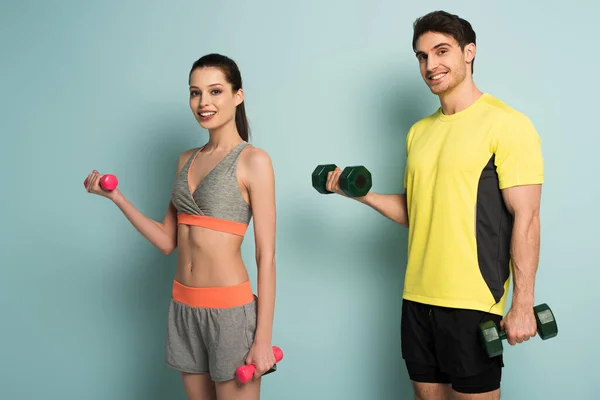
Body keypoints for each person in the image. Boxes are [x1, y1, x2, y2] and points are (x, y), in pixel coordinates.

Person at [325, 10, 544, 400]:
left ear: (469, 52)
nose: (431, 65)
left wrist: (523, 304)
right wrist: (360, 194)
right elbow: (420, 212)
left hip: (472, 301)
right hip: (417, 299)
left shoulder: (507, 124)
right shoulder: (419, 133)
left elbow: (526, 218)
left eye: (441, 51)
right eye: (422, 56)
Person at [85, 53, 277, 400]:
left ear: (238, 95)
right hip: (183, 307)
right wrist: (118, 198)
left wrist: (262, 339)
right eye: (195, 92)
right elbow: (166, 240)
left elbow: (266, 256)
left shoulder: (254, 161)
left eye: (215, 91)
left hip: (229, 313)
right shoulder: (185, 160)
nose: (203, 102)